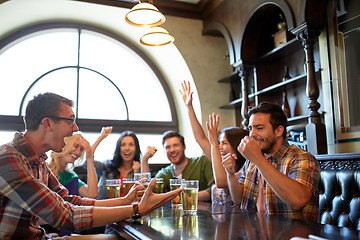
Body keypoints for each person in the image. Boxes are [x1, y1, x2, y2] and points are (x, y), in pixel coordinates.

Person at [0, 92, 182, 239]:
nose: (76, 127)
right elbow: (66, 216)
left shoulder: (38, 160)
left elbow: (69, 199)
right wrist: (136, 209)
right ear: (47, 123)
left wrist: (125, 200)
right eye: (70, 120)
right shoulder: (9, 158)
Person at [223, 102, 320, 222]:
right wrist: (230, 174)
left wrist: (258, 160)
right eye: (250, 129)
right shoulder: (252, 160)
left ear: (279, 131)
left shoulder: (301, 158)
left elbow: (298, 200)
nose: (252, 134)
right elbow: (238, 200)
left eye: (259, 128)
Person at [179, 80, 248, 205]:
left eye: (224, 143)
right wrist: (189, 106)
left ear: (237, 146)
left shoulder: (246, 169)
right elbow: (200, 138)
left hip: (236, 223)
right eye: (219, 142)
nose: (220, 147)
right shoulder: (219, 162)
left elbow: (222, 182)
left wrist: (214, 144)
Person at [142, 130, 214, 201]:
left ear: (184, 147)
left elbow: (215, 189)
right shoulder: (164, 173)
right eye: (168, 147)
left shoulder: (202, 161)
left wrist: (186, 196)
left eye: (175, 145)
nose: (172, 150)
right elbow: (149, 193)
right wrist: (144, 160)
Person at [48, 127, 112, 198]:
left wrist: (89, 158)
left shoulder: (70, 177)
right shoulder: (45, 169)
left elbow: (92, 194)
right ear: (65, 144)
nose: (78, 152)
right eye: (76, 146)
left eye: (81, 149)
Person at [96, 131, 142, 199]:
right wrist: (100, 137)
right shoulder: (108, 165)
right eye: (123, 144)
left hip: (130, 209)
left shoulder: (141, 169)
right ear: (118, 148)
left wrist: (137, 173)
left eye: (131, 144)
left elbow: (143, 198)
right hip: (106, 208)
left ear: (136, 148)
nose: (127, 148)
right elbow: (86, 162)